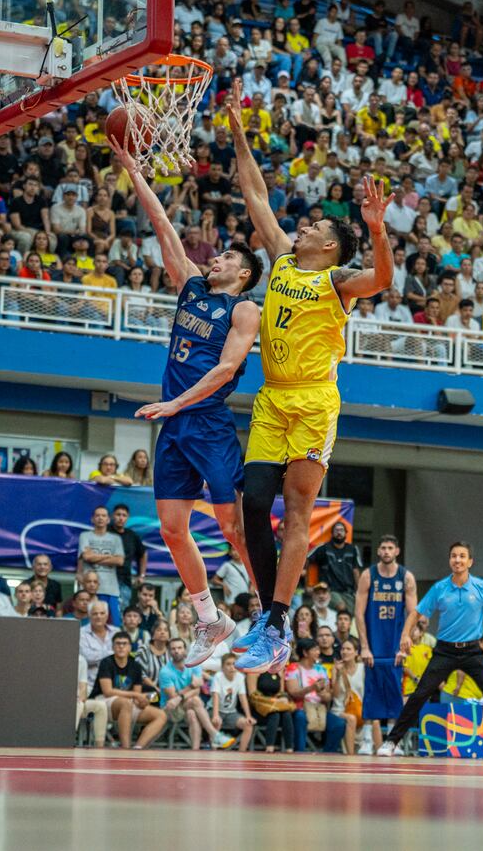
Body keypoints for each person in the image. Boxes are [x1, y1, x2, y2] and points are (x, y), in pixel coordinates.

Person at [225, 78, 395, 675]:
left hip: (315, 402)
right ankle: (271, 619)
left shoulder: (337, 281)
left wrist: (377, 229)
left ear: (331, 245)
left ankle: (273, 620)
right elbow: (256, 198)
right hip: (272, 398)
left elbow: (382, 281)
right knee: (252, 503)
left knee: (297, 511)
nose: (302, 228)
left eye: (315, 227)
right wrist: (240, 134)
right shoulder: (281, 260)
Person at [111, 144, 261, 668]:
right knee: (173, 528)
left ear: (243, 274)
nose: (213, 257)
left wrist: (173, 402)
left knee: (233, 529)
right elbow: (162, 227)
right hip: (175, 424)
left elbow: (224, 372)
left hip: (209, 424)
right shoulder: (192, 289)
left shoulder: (245, 310)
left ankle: (270, 614)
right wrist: (135, 172)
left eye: (226, 258)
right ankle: (209, 617)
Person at [377, 542, 483, 761]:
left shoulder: (481, 588)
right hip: (444, 651)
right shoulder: (439, 588)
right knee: (420, 694)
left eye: (462, 556)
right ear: (450, 560)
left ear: (470, 562)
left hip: (472, 652)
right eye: (454, 556)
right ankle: (391, 742)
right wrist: (405, 635)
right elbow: (415, 614)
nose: (458, 560)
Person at [355, 534, 416, 751]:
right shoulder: (368, 575)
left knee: (394, 691)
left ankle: (393, 741)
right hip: (373, 643)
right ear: (378, 551)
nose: (387, 551)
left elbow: (413, 614)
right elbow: (359, 613)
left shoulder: (406, 577)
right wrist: (364, 646)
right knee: (371, 690)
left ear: (397, 551)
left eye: (391, 547)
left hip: (395, 645)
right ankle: (367, 741)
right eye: (383, 548)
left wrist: (405, 646)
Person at [92, 631, 168, 749]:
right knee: (125, 703)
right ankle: (126, 748)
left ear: (130, 648)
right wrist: (135, 696)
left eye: (124, 644)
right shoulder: (106, 662)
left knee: (161, 715)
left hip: (127, 702)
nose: (121, 646)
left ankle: (137, 748)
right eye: (118, 644)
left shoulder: (135, 666)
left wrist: (141, 700)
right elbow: (108, 691)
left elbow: (137, 693)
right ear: (112, 647)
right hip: (103, 701)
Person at [159, 637, 236, 750]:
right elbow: (173, 698)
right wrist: (190, 686)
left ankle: (195, 750)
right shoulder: (165, 672)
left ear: (185, 650)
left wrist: (186, 693)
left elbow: (197, 689)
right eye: (173, 648)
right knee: (195, 700)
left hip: (187, 705)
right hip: (170, 709)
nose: (176, 651)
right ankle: (215, 735)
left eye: (179, 648)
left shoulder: (194, 665)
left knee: (192, 713)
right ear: (169, 651)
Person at [78, 506, 125, 626]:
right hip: (89, 589)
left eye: (104, 516)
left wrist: (94, 557)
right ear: (92, 519)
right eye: (97, 515)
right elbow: (87, 557)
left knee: (114, 626)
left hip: (111, 590)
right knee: (88, 625)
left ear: (108, 519)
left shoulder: (115, 538)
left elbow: (120, 561)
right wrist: (110, 557)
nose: (100, 518)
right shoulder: (85, 536)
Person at [305, 520, 362, 611]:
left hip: (349, 591)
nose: (339, 533)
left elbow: (356, 570)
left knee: (352, 614)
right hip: (329, 590)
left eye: (341, 530)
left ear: (346, 533)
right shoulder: (324, 548)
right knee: (341, 607)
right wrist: (308, 584)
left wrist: (360, 591)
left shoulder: (353, 549)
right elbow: (308, 560)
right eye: (336, 530)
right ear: (332, 533)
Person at [210, 653, 258, 751]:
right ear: (222, 667)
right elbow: (216, 696)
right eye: (228, 664)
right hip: (215, 709)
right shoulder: (218, 676)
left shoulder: (240, 677)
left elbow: (243, 698)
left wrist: (248, 716)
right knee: (217, 722)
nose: (232, 667)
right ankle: (213, 752)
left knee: (248, 725)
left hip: (231, 712)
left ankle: (241, 753)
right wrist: (215, 715)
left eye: (234, 664)